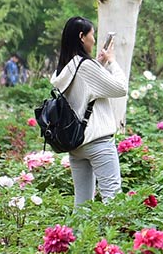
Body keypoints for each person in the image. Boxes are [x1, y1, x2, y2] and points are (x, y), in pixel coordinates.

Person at [51, 16, 127, 205]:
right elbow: (120, 88)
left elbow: (83, 89)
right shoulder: (85, 66)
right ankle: (112, 236)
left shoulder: (63, 69)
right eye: (92, 35)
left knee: (82, 203)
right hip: (98, 143)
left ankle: (75, 235)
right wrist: (111, 62)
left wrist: (98, 64)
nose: (94, 39)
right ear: (82, 36)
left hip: (76, 144)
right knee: (113, 198)